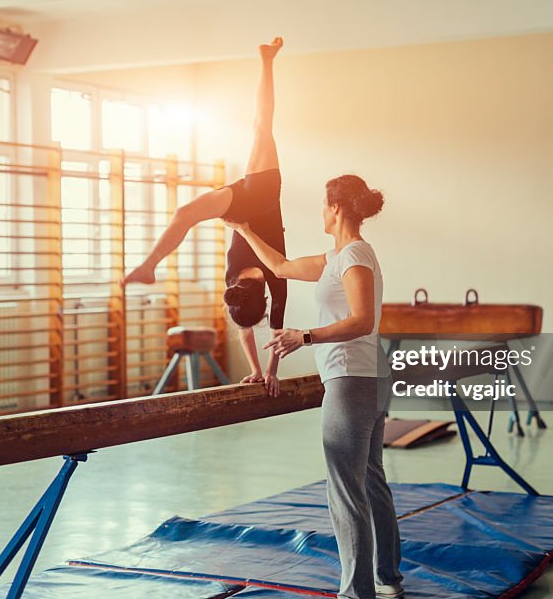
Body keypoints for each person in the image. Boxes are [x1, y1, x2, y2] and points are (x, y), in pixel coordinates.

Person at [226, 174, 404, 599]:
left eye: (324, 205)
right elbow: (281, 267)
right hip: (365, 378)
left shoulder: (355, 255)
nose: (320, 212)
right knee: (371, 480)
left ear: (337, 208)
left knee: (347, 489)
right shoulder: (337, 256)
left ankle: (356, 593)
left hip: (352, 379)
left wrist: (304, 336)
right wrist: (244, 229)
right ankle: (388, 581)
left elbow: (362, 320)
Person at [122, 37, 287, 395]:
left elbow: (254, 330)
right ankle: (267, 59)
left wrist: (262, 373)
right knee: (262, 124)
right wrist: (270, 372)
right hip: (260, 197)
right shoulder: (275, 276)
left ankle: (149, 265)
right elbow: (275, 335)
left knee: (184, 213)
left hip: (246, 201)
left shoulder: (240, 287)